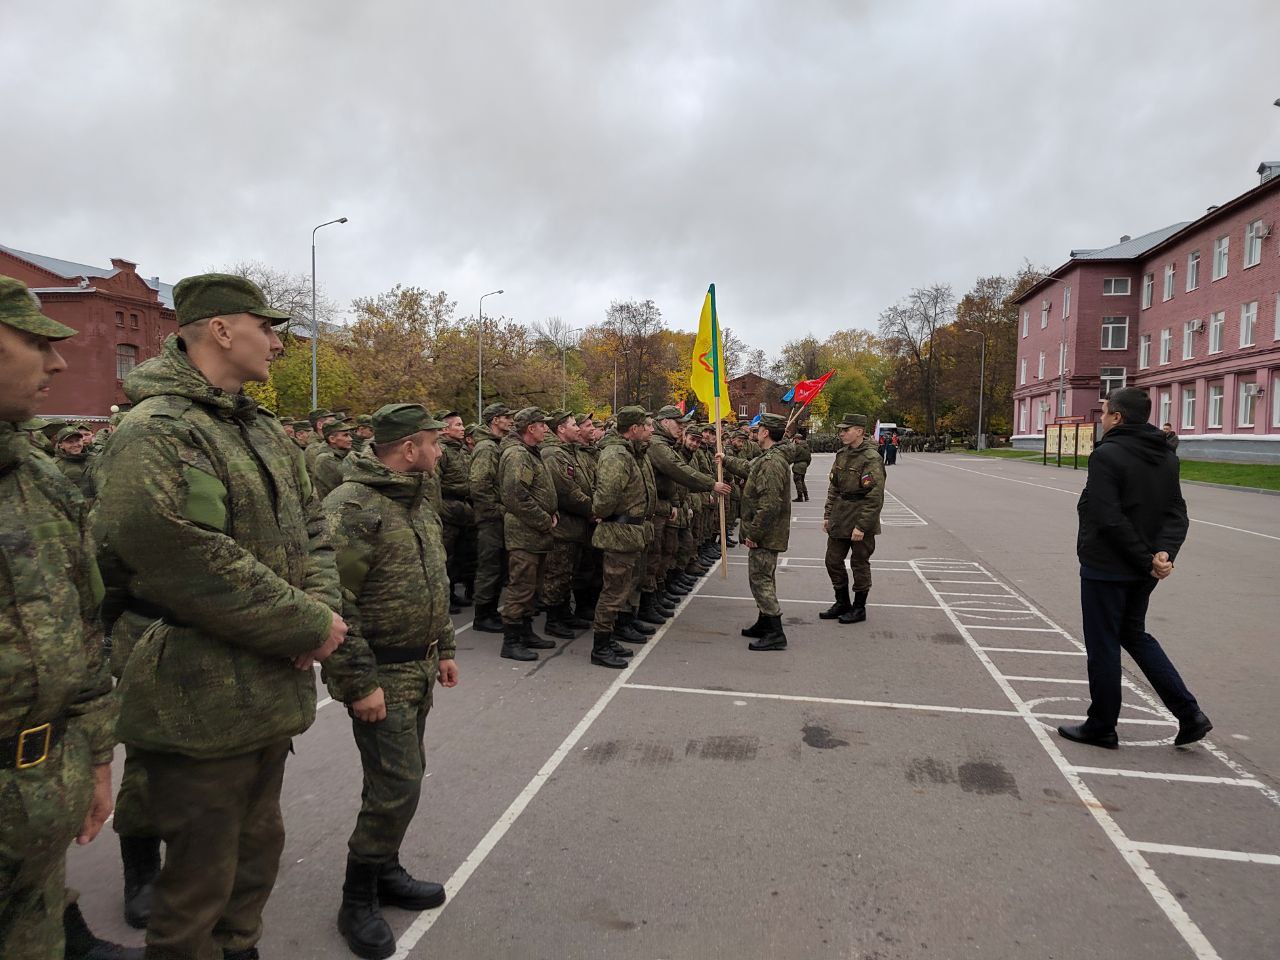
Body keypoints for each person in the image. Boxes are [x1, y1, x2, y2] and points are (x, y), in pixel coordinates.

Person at [93, 273, 346, 960]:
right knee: (197, 884)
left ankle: (243, 947)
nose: (278, 344)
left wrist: (318, 612)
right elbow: (179, 555)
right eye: (267, 328)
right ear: (221, 330)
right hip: (196, 693)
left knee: (256, 854)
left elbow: (314, 531)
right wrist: (304, 625)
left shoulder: (261, 430)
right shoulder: (155, 431)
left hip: (266, 687)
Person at [0, 277, 130, 960]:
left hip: (41, 786)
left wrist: (94, 759)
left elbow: (84, 632)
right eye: (35, 341)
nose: (56, 363)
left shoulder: (39, 478)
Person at [320, 403, 458, 959]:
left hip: (418, 664)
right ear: (408, 448)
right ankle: (357, 899)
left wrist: (444, 645)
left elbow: (434, 576)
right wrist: (358, 682)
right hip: (381, 670)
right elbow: (333, 599)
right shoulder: (354, 507)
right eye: (434, 442)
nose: (441, 450)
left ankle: (386, 869)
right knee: (396, 785)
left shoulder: (416, 499)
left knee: (403, 779)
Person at [1057, 388, 1211, 750]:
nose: (1102, 418)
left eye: (1106, 412)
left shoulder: (1107, 455)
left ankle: (1102, 726)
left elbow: (1107, 516)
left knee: (1103, 644)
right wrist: (1162, 554)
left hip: (1107, 565)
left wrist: (1148, 557)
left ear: (1119, 417)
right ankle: (1189, 714)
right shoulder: (1165, 456)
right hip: (1142, 570)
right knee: (1134, 633)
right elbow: (1177, 514)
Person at [589, 407, 656, 668]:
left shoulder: (627, 452)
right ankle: (600, 646)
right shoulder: (616, 454)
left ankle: (609, 637)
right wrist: (599, 513)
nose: (649, 430)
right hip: (618, 532)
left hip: (629, 533)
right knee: (613, 591)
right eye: (646, 425)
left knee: (621, 589)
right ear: (634, 428)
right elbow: (606, 495)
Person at [496, 407, 559, 661]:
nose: (546, 428)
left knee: (533, 587)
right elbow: (515, 497)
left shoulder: (531, 453)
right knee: (521, 587)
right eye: (542, 425)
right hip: (525, 534)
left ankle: (526, 632)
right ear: (530, 428)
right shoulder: (517, 455)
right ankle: (511, 641)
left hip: (536, 534)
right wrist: (544, 519)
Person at [734, 414, 792, 650]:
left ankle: (776, 632)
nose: (755, 433)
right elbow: (748, 467)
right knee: (764, 577)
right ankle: (764, 622)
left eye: (759, 429)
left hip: (766, 534)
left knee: (760, 579)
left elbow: (769, 504)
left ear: (766, 432)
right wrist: (724, 459)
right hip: (768, 532)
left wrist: (754, 534)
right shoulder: (769, 458)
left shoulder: (771, 463)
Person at [820, 413, 885, 625]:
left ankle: (859, 607)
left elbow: (874, 496)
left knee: (859, 563)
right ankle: (842, 602)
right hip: (840, 514)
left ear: (859, 431)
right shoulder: (841, 454)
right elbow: (834, 487)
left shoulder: (871, 458)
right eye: (841, 429)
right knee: (833, 560)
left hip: (860, 516)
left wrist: (862, 526)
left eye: (846, 429)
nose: (842, 433)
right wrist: (828, 514)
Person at [540, 411, 595, 639]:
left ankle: (564, 613)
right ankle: (553, 619)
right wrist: (593, 509)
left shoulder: (571, 452)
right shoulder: (554, 454)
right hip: (563, 527)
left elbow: (585, 484)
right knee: (557, 574)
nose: (577, 428)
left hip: (575, 526)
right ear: (561, 429)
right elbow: (567, 492)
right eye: (573, 424)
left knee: (568, 574)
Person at [468, 403, 513, 634]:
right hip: (490, 519)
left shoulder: (497, 445)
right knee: (490, 566)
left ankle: (491, 611)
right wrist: (495, 510)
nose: (510, 420)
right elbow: (478, 484)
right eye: (506, 417)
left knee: (497, 565)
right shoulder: (486, 447)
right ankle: (483, 615)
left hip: (497, 516)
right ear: (495, 420)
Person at [435, 410, 475, 613]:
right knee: (446, 558)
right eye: (457, 425)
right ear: (444, 429)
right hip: (448, 510)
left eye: (462, 424)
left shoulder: (460, 451)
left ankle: (453, 594)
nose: (462, 428)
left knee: (459, 557)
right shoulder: (440, 452)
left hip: (463, 511)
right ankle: (444, 598)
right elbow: (434, 484)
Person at [313, 417, 357, 500]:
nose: (350, 439)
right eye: (345, 435)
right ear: (332, 439)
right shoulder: (325, 459)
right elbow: (348, 481)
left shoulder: (343, 453)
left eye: (349, 435)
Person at [790, 425, 812, 502]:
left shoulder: (798, 447)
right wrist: (806, 464)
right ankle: (806, 496)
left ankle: (800, 497)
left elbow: (793, 455)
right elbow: (809, 458)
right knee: (802, 481)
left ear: (797, 439)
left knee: (797, 481)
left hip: (798, 465)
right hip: (804, 465)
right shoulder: (806, 446)